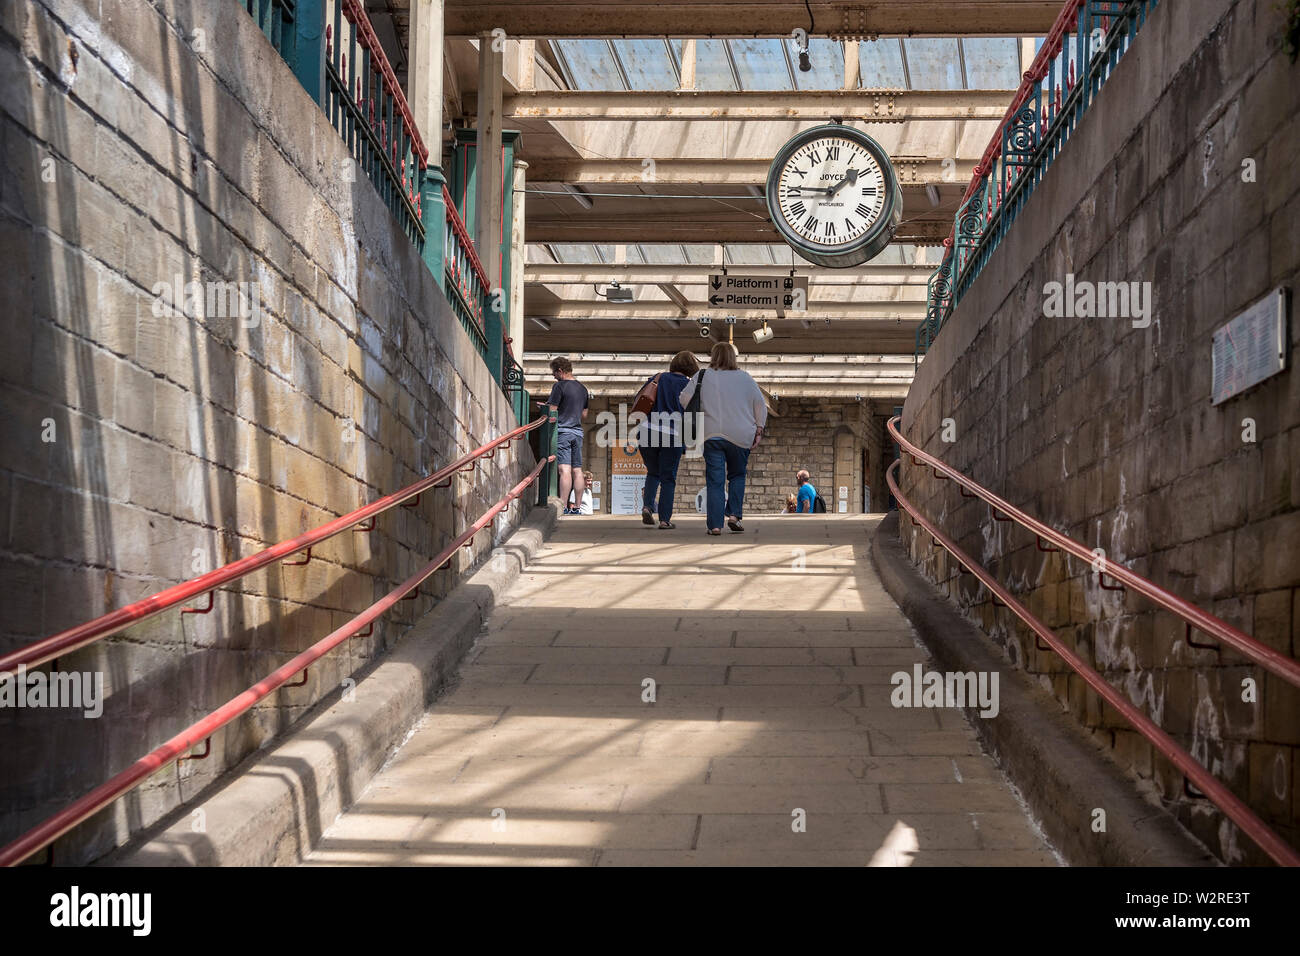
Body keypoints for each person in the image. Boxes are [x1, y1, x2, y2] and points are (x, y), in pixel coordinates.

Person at [678, 342, 767, 536]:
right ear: (733, 358)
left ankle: (715, 526)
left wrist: (704, 407)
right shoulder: (745, 378)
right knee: (737, 475)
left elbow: (684, 399)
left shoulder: (702, 376)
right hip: (740, 435)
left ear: (714, 356)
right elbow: (760, 404)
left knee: (715, 480)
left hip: (712, 435)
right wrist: (759, 429)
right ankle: (734, 515)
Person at [638, 350, 699, 529]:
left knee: (653, 472)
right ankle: (664, 520)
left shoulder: (657, 378)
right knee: (668, 479)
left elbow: (641, 400)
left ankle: (648, 506)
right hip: (673, 435)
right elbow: (692, 414)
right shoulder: (689, 385)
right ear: (691, 367)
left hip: (648, 433)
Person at [547, 356, 589, 515]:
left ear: (560, 371)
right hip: (577, 432)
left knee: (564, 469)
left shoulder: (559, 386)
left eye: (554, 373)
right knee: (577, 470)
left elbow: (552, 411)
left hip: (563, 431)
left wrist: (545, 408)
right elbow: (584, 414)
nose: (553, 376)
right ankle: (577, 507)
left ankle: (563, 506)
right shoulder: (583, 388)